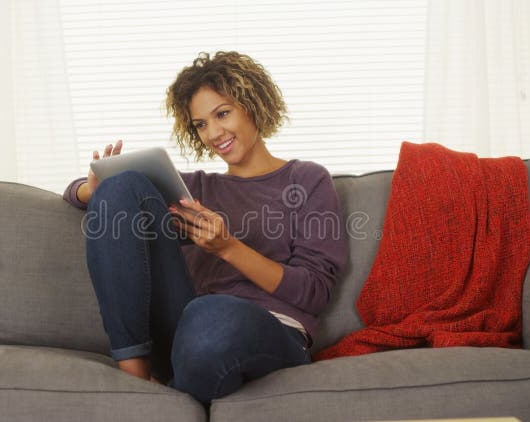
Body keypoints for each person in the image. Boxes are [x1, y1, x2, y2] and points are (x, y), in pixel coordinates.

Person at [62, 51, 347, 407]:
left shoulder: (306, 180)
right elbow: (74, 193)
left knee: (209, 315)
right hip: (185, 332)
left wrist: (229, 248)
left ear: (253, 105)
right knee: (121, 185)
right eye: (200, 124)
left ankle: (174, 386)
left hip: (269, 332)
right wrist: (93, 187)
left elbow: (316, 291)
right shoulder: (192, 189)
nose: (213, 133)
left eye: (222, 114)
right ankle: (135, 377)